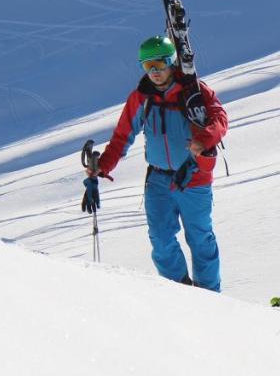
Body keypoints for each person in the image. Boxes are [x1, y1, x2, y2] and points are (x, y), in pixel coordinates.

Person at [93, 36, 228, 291]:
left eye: (159, 64)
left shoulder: (195, 91)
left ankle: (210, 295)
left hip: (194, 176)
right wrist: (103, 165)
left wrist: (204, 139)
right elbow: (123, 135)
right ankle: (178, 289)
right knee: (161, 239)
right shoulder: (141, 98)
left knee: (200, 238)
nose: (154, 72)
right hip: (158, 180)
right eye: (147, 66)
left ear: (171, 62)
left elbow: (220, 119)